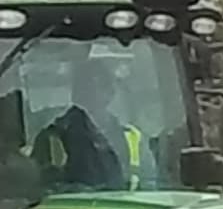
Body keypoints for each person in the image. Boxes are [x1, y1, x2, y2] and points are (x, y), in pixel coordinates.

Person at [27, 49, 157, 189]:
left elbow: (150, 185)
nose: (93, 91)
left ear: (110, 92)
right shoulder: (52, 138)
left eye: (100, 85)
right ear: (75, 93)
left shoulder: (132, 138)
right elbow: (36, 190)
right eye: (86, 86)